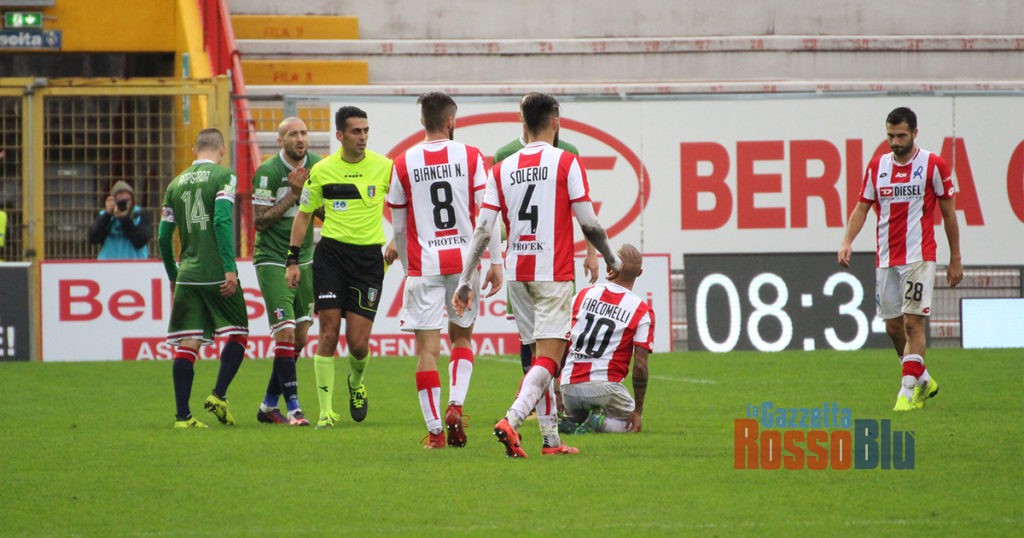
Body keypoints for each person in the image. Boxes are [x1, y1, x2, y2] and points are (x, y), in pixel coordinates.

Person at [453, 92, 621, 458]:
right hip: (552, 271)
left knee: (536, 356)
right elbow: (589, 222)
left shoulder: (502, 168)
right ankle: (511, 420)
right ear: (556, 122)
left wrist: (465, 279)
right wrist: (611, 257)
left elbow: (483, 230)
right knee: (551, 358)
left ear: (522, 121)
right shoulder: (566, 161)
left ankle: (551, 440)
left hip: (518, 272)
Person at [387, 92, 503, 449]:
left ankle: (436, 432)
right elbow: (488, 217)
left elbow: (399, 226)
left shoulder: (403, 163)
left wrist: (409, 267)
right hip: (464, 265)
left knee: (427, 351)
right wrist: (496, 262)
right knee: (462, 339)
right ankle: (455, 405)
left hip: (423, 266)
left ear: (422, 121)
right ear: (451, 121)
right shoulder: (470, 156)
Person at [838, 106, 963, 412]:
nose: (895, 142)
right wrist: (847, 241)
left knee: (912, 325)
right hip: (886, 258)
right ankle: (923, 379)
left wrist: (955, 258)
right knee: (893, 328)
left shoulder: (933, 165)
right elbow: (862, 207)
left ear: (914, 133)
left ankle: (906, 394)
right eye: (890, 136)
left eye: (901, 136)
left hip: (919, 257)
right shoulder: (877, 167)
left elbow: (949, 214)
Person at [286, 106, 393, 429]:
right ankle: (325, 412)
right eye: (356, 131)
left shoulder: (384, 167)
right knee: (328, 332)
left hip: (368, 261)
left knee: (358, 343)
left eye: (365, 130)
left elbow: (407, 205)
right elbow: (304, 215)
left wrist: (398, 240)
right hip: (331, 257)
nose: (362, 137)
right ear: (340, 135)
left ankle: (356, 383)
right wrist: (292, 259)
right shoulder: (322, 171)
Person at [157, 128, 249, 428]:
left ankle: (183, 417)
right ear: (222, 149)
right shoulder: (225, 176)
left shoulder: (175, 183)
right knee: (239, 331)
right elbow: (221, 220)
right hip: (215, 272)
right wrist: (229, 268)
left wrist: (173, 275)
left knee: (189, 342)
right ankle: (218, 395)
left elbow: (163, 237)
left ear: (194, 149)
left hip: (187, 275)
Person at [494, 126, 599, 375]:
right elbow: (501, 215)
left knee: (557, 335)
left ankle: (552, 393)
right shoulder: (505, 155)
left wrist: (591, 252)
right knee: (530, 336)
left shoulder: (569, 153)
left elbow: (581, 205)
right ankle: (539, 396)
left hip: (552, 261)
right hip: (530, 261)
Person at [251, 117, 322, 427]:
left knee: (300, 338)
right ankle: (294, 408)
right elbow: (260, 221)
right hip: (271, 259)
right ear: (280, 141)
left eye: (304, 133)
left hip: (304, 258)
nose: (300, 138)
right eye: (293, 134)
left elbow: (323, 212)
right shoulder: (267, 172)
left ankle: (269, 405)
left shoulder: (318, 166)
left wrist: (311, 196)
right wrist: (293, 194)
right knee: (286, 332)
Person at [558, 244, 652, 434]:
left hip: (568, 387)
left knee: (581, 409)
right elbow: (640, 365)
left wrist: (557, 390)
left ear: (609, 267)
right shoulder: (641, 311)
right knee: (632, 421)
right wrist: (638, 410)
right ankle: (601, 423)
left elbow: (561, 341)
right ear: (639, 273)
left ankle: (574, 419)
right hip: (604, 389)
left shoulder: (583, 295)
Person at [87, 180, 151, 259]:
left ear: (133, 200)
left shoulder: (140, 214)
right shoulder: (105, 214)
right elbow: (92, 238)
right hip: (108, 262)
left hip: (134, 262)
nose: (123, 204)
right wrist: (107, 215)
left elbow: (140, 241)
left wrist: (124, 219)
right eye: (119, 200)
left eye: (127, 200)